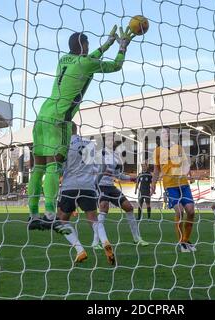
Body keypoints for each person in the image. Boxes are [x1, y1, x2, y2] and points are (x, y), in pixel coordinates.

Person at [27, 26, 135, 230]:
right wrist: (121, 47)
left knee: (38, 167)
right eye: (87, 45)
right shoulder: (86, 63)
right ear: (83, 46)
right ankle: (50, 213)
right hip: (60, 119)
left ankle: (32, 214)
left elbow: (88, 57)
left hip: (42, 114)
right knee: (53, 166)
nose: (89, 49)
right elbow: (116, 66)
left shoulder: (64, 60)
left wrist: (107, 44)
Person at [53, 123, 115, 264]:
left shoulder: (64, 146)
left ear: (66, 130)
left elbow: (58, 167)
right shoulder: (90, 144)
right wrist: (95, 181)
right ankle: (105, 241)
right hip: (88, 186)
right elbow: (104, 166)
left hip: (70, 186)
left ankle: (80, 250)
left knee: (61, 221)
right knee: (93, 219)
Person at [92, 134, 149, 249]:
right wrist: (100, 173)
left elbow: (118, 175)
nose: (110, 141)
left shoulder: (116, 157)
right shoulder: (99, 154)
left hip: (111, 187)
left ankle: (136, 238)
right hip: (100, 186)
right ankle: (95, 242)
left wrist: (130, 178)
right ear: (105, 142)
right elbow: (91, 169)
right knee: (104, 209)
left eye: (112, 139)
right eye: (108, 139)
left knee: (129, 207)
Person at [150, 127, 195, 253]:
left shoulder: (179, 148)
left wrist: (189, 174)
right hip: (170, 185)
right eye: (164, 132)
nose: (166, 134)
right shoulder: (157, 151)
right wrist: (153, 184)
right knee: (179, 212)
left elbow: (186, 163)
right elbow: (156, 170)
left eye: (168, 132)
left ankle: (186, 240)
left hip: (183, 184)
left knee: (191, 212)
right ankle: (181, 242)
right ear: (160, 135)